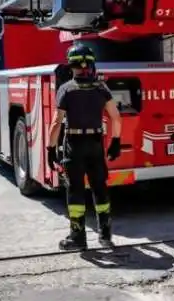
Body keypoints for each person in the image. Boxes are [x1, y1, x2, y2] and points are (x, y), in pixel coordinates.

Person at [47, 44, 122, 251]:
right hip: (96, 145)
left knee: (76, 191)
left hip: (74, 146)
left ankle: (77, 237)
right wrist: (116, 141)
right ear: (91, 63)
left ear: (71, 64)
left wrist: (50, 148)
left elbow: (56, 123)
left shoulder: (66, 89)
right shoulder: (101, 88)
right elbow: (116, 117)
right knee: (100, 188)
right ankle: (105, 235)